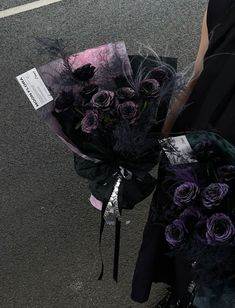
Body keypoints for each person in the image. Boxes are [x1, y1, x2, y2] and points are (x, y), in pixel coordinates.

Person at [131, 0, 235, 307]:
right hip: (199, 133)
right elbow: (200, 70)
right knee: (185, 218)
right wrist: (162, 130)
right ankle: (183, 292)